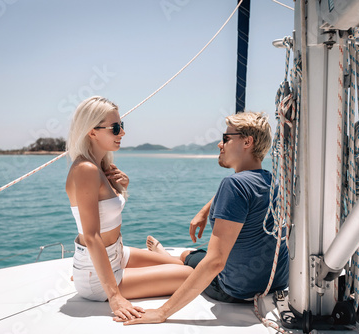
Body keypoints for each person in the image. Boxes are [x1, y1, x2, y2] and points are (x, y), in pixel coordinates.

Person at [118, 111, 289, 325]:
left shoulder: (233, 185)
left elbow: (215, 262)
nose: (220, 144)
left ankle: (169, 257)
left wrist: (162, 313)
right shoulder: (272, 181)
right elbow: (243, 193)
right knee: (192, 254)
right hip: (275, 284)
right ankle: (169, 256)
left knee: (191, 262)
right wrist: (204, 210)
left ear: (247, 141)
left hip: (236, 291)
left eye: (226, 138)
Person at [65, 96, 193, 321]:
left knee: (178, 263)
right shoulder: (86, 169)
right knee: (188, 275)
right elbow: (92, 236)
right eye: (115, 128)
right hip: (99, 273)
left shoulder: (100, 166)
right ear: (92, 131)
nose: (122, 133)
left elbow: (107, 213)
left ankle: (158, 257)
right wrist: (114, 296)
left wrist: (121, 188)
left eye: (121, 126)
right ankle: (86, 277)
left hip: (117, 254)